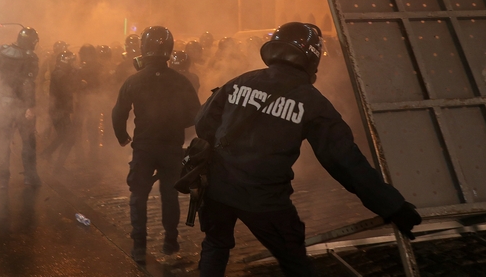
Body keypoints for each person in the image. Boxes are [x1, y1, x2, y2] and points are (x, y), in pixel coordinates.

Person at [194, 22, 421, 277]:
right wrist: (391, 206)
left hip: (217, 190)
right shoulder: (312, 102)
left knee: (215, 245)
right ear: (312, 56)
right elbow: (344, 161)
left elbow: (203, 124)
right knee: (294, 262)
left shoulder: (241, 81)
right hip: (265, 200)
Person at [111, 26, 201, 264]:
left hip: (144, 146)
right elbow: (196, 114)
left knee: (138, 195)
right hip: (172, 146)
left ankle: (139, 245)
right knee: (169, 195)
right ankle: (170, 241)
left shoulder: (134, 80)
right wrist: (177, 124)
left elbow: (118, 113)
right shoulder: (181, 80)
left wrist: (123, 137)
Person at [0, 27, 41, 189]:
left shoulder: (1, 50)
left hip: (2, 103)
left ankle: (3, 178)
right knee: (28, 141)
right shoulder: (30, 58)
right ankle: (30, 176)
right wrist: (30, 106)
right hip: (22, 105)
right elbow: (28, 84)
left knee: (4, 140)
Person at [41, 50, 78, 173]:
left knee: (63, 135)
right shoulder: (60, 75)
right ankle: (58, 166)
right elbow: (68, 90)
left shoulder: (60, 73)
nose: (73, 63)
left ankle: (47, 153)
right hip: (59, 111)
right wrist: (81, 84)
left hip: (59, 110)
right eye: (71, 61)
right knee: (70, 138)